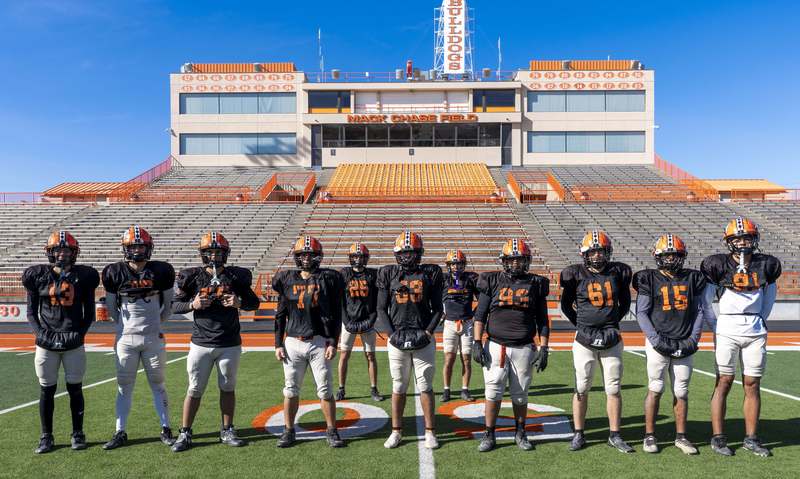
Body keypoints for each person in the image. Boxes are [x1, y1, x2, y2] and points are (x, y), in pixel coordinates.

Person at [171, 232, 260, 452]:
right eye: (210, 251)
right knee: (194, 389)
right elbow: (175, 306)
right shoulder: (191, 276)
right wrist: (193, 305)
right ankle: (185, 432)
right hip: (201, 342)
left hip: (229, 342)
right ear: (202, 254)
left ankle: (227, 429)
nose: (214, 256)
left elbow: (254, 302)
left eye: (218, 252)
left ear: (225, 254)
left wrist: (239, 302)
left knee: (228, 387)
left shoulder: (236, 276)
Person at [701, 217, 781, 457]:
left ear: (754, 239)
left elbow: (768, 300)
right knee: (723, 381)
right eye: (738, 238)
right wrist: (717, 325)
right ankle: (718, 437)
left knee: (752, 383)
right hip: (727, 325)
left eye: (747, 237)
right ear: (729, 241)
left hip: (754, 327)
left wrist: (757, 320)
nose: (743, 242)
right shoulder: (718, 264)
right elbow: (706, 302)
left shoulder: (766, 264)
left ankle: (751, 438)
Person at [22, 231, 99, 454]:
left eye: (66, 250)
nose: (62, 254)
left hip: (73, 340)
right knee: (46, 389)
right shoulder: (38, 275)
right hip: (46, 341)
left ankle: (78, 433)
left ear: (74, 253)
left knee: (75, 388)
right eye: (58, 250)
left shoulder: (83, 276)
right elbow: (30, 312)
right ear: (50, 253)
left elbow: (89, 312)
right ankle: (46, 436)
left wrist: (80, 334)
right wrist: (39, 334)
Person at [633, 234, 710, 455]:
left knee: (682, 390)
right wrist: (655, 339)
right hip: (659, 340)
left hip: (684, 340)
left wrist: (694, 339)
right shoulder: (649, 278)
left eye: (674, 255)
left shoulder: (692, 278)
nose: (670, 259)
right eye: (666, 255)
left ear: (682, 256)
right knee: (656, 387)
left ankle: (681, 437)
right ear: (657, 257)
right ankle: (649, 435)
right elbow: (642, 313)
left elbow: (698, 311)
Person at [101, 225, 176, 449]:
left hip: (152, 336)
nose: (137, 250)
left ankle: (166, 427)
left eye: (140, 246)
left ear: (148, 247)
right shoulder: (114, 272)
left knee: (158, 383)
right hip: (126, 338)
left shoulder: (161, 270)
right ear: (126, 248)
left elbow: (168, 305)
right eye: (133, 246)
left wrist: (155, 325)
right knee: (124, 385)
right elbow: (113, 308)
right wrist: (127, 328)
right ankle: (120, 430)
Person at [472, 239, 550, 452]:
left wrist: (544, 348)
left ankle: (520, 432)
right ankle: (489, 434)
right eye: (512, 259)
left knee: (520, 394)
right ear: (504, 261)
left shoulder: (536, 283)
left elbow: (543, 320)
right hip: (496, 345)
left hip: (524, 347)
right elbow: (480, 315)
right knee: (493, 392)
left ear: (527, 261)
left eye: (520, 259)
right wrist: (477, 342)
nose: (516, 263)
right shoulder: (492, 280)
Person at [560, 230, 634, 453]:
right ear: (585, 254)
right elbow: (566, 306)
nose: (597, 256)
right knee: (582, 387)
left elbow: (625, 304)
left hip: (611, 337)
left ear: (607, 252)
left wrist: (610, 324)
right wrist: (583, 324)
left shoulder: (619, 272)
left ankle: (615, 434)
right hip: (584, 338)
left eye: (600, 252)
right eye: (593, 252)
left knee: (613, 387)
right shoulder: (574, 274)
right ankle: (579, 433)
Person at [272, 235, 346, 448]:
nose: (306, 258)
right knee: (291, 389)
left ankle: (332, 430)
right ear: (297, 257)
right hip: (293, 341)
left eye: (310, 254)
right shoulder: (287, 279)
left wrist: (333, 341)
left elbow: (334, 313)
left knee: (325, 389)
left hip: (318, 341)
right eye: (302, 254)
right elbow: (280, 315)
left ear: (318, 256)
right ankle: (288, 430)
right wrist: (278, 343)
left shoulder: (328, 278)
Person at [378, 231, 443, 450]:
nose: (407, 257)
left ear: (419, 254)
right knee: (398, 386)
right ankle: (396, 431)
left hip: (422, 336)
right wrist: (390, 333)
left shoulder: (430, 273)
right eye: (404, 253)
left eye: (411, 253)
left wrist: (428, 332)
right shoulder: (388, 273)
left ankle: (430, 431)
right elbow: (380, 307)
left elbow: (438, 308)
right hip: (397, 337)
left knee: (425, 385)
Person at [336, 242, 382, 402]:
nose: (357, 259)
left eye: (360, 256)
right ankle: (341, 388)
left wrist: (372, 318)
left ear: (366, 258)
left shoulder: (372, 275)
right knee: (344, 355)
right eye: (355, 256)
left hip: (367, 321)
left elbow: (377, 300)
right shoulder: (344, 274)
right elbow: (340, 300)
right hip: (349, 320)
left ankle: (374, 388)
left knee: (370, 355)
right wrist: (345, 320)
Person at [440, 249, 479, 402]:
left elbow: (482, 298)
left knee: (466, 359)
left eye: (459, 264)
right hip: (450, 323)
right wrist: (440, 311)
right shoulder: (443, 279)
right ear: (448, 265)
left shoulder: (471, 279)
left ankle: (465, 389)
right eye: (453, 264)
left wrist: (476, 312)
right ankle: (446, 390)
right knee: (449, 358)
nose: (456, 267)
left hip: (467, 322)